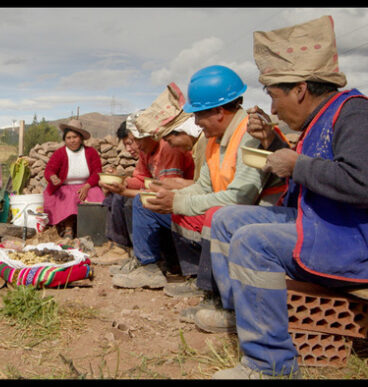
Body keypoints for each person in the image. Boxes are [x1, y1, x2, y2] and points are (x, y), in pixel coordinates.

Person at [200, 15, 368, 379]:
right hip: (319, 222)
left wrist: (296, 165)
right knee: (227, 219)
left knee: (253, 241)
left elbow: (361, 182)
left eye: (275, 97)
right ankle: (239, 314)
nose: (273, 108)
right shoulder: (320, 118)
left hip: (349, 237)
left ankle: (270, 364)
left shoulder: (355, 114)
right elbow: (313, 168)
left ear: (301, 89)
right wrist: (273, 143)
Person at [113, 65, 285, 292]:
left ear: (218, 112)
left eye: (199, 115)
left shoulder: (249, 135)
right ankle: (151, 268)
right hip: (226, 207)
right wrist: (171, 197)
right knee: (148, 204)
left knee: (216, 216)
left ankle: (210, 288)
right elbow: (204, 186)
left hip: (257, 215)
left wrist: (178, 202)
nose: (196, 123)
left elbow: (241, 197)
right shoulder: (214, 139)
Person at [102, 83, 196, 250]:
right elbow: (140, 178)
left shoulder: (169, 148)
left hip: (183, 200)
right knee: (116, 198)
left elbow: (166, 190)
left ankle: (149, 260)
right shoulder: (146, 151)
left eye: (137, 140)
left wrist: (124, 190)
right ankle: (122, 247)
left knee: (137, 203)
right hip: (172, 195)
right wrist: (121, 183)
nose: (136, 146)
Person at [43, 119, 105, 239]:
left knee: (96, 194)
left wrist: (87, 186)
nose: (72, 140)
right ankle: (68, 228)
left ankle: (93, 228)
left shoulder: (90, 152)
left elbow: (97, 172)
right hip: (64, 186)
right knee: (67, 197)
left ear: (81, 138)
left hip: (86, 185)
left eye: (75, 137)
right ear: (65, 139)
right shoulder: (60, 153)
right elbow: (49, 170)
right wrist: (53, 177)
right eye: (68, 137)